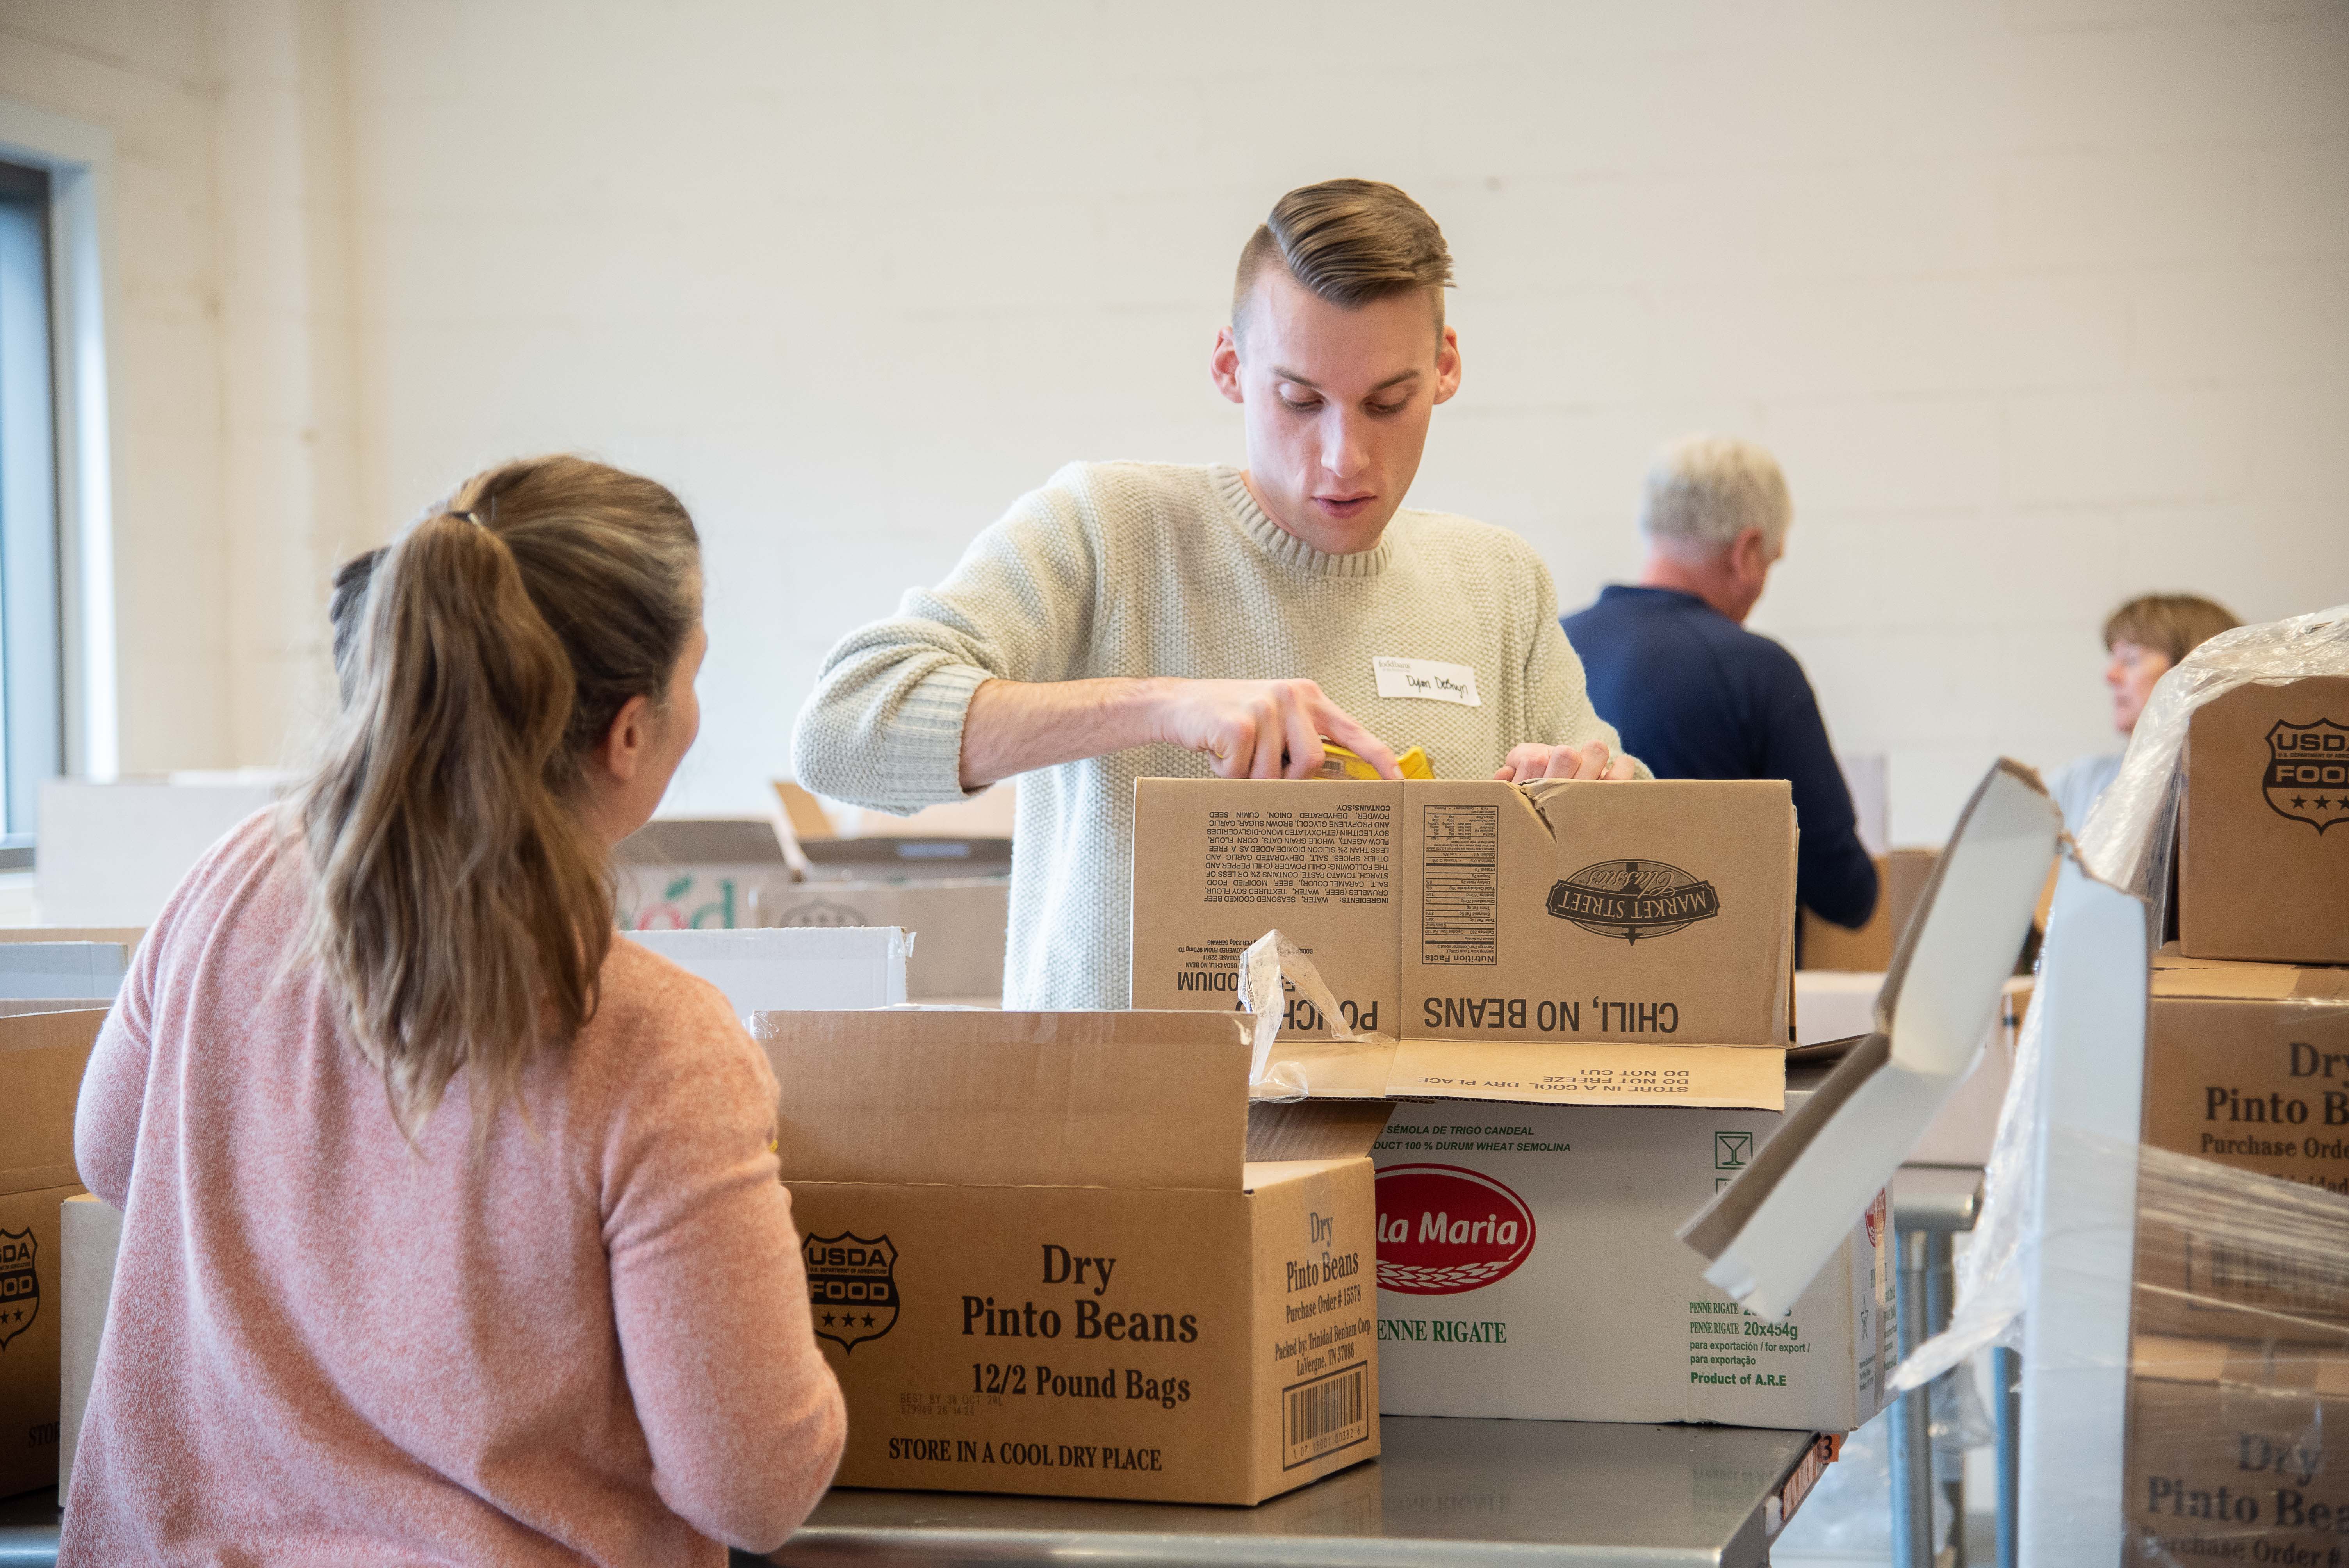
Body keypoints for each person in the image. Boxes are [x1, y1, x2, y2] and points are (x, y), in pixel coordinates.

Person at [64, 458, 845, 1564]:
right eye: (695, 675)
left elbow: (109, 1156)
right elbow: (752, 1489)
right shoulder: (654, 1040)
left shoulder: (233, 879)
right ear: (629, 735)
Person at [792, 178, 1645, 1009]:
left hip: (1432, 1145)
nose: (1344, 456)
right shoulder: (1108, 527)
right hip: (1126, 1140)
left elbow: (1632, 838)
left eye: (1388, 401)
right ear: (1230, 367)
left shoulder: (1496, 578)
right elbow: (842, 730)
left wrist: (1591, 793)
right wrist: (1164, 707)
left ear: (1445, 368)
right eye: (1299, 400)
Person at [1561, 436, 1877, 932]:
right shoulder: (1760, 671)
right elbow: (1844, 890)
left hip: (1573, 988)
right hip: (1720, 997)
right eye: (1771, 561)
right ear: (1747, 551)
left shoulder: (1556, 645)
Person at [2046, 592, 2240, 831]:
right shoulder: (2075, 785)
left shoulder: (2241, 790)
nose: (2110, 675)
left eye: (2130, 660)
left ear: (2193, 672)